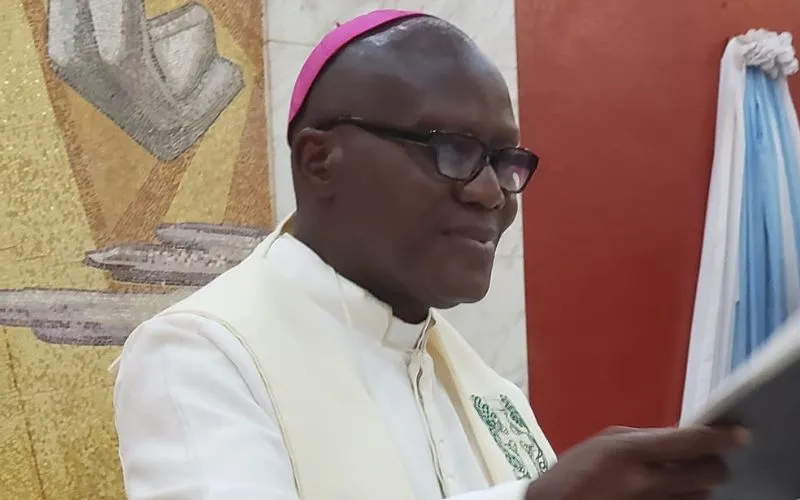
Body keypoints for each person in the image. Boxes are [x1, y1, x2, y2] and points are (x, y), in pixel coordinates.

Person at [113, 9, 747, 500]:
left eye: (505, 161)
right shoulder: (200, 353)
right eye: (451, 150)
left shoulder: (488, 393)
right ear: (320, 161)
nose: (491, 193)